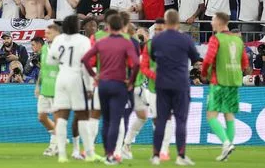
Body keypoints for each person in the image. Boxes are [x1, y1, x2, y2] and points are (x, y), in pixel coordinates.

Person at [81, 13, 139, 165]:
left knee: (103, 119)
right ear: (121, 25)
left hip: (102, 85)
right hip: (119, 84)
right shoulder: (127, 42)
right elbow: (137, 63)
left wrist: (94, 75)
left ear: (107, 24)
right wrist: (131, 80)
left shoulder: (100, 40)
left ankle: (102, 152)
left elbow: (85, 59)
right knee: (117, 119)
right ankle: (114, 154)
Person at [150, 9, 200, 165]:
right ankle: (180, 156)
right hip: (180, 84)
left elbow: (153, 56)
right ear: (178, 22)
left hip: (162, 84)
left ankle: (156, 156)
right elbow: (195, 58)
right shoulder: (185, 39)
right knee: (180, 121)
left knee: (161, 121)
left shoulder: (157, 40)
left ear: (165, 22)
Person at [121, 18, 174, 161]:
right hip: (145, 88)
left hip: (161, 87)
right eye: (155, 29)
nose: (157, 32)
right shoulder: (145, 46)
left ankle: (163, 149)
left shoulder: (171, 45)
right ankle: (125, 144)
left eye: (159, 29)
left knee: (161, 117)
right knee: (147, 117)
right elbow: (143, 66)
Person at [201, 12, 251, 162]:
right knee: (229, 114)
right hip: (234, 82)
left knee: (211, 115)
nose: (211, 23)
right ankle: (226, 150)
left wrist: (204, 73)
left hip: (219, 81)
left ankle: (226, 142)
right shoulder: (237, 40)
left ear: (219, 22)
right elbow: (244, 63)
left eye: (213, 20)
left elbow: (208, 59)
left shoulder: (216, 39)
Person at [48, 16, 94, 163]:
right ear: (76, 26)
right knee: (82, 115)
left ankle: (62, 154)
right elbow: (86, 64)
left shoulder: (59, 39)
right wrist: (89, 86)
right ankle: (89, 152)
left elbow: (50, 60)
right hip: (76, 77)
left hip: (61, 77)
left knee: (61, 116)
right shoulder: (83, 41)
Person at [33, 33, 60, 158]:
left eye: (49, 33)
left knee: (57, 119)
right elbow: (43, 69)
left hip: (57, 89)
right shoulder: (44, 49)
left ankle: (53, 146)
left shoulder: (61, 49)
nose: (47, 35)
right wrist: (38, 86)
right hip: (45, 88)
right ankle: (60, 137)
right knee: (41, 117)